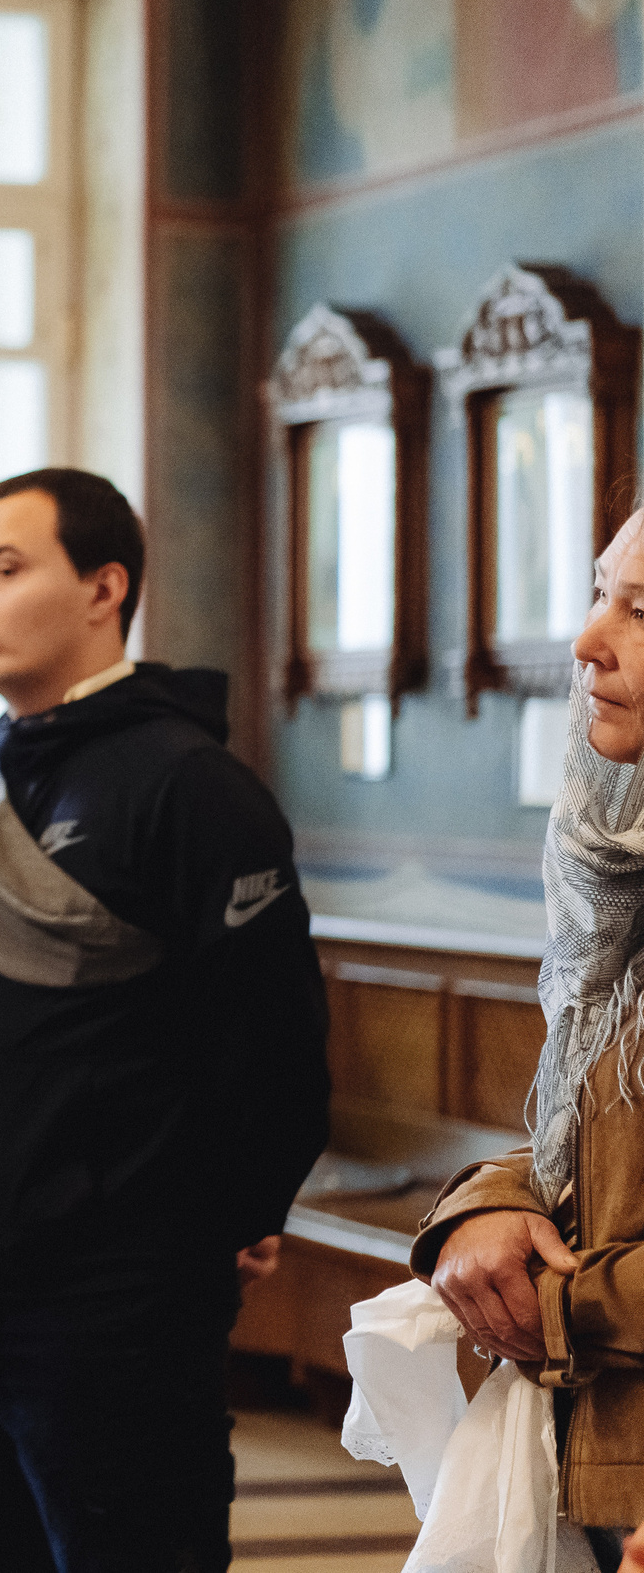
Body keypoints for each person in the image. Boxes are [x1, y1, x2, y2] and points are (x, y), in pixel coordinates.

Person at [0, 468, 331, 1573]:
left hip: (109, 1322)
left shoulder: (191, 788)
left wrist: (217, 1227)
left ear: (104, 589)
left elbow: (276, 1040)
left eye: (4, 568)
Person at [423, 508, 644, 1571]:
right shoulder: (615, 880)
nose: (586, 640)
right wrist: (488, 1206)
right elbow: (596, 1148)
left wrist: (544, 1301)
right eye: (600, 591)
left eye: (639, 610)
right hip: (607, 1450)